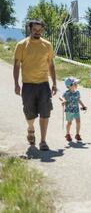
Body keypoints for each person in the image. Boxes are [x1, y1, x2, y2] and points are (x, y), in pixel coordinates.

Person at [13, 19, 57, 151]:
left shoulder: (47, 45)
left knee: (45, 112)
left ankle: (43, 141)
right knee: (29, 113)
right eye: (34, 30)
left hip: (43, 84)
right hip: (28, 85)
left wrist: (54, 83)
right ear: (29, 29)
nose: (37, 32)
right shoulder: (21, 45)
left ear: (42, 30)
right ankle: (31, 129)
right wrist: (16, 83)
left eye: (40, 30)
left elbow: (51, 65)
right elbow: (16, 65)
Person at [59, 77, 87, 142]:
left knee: (78, 122)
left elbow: (78, 100)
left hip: (76, 110)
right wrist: (63, 100)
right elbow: (60, 97)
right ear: (70, 86)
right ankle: (67, 134)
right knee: (69, 123)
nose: (77, 84)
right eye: (75, 83)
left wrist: (83, 106)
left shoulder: (77, 92)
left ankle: (77, 134)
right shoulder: (66, 93)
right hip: (69, 111)